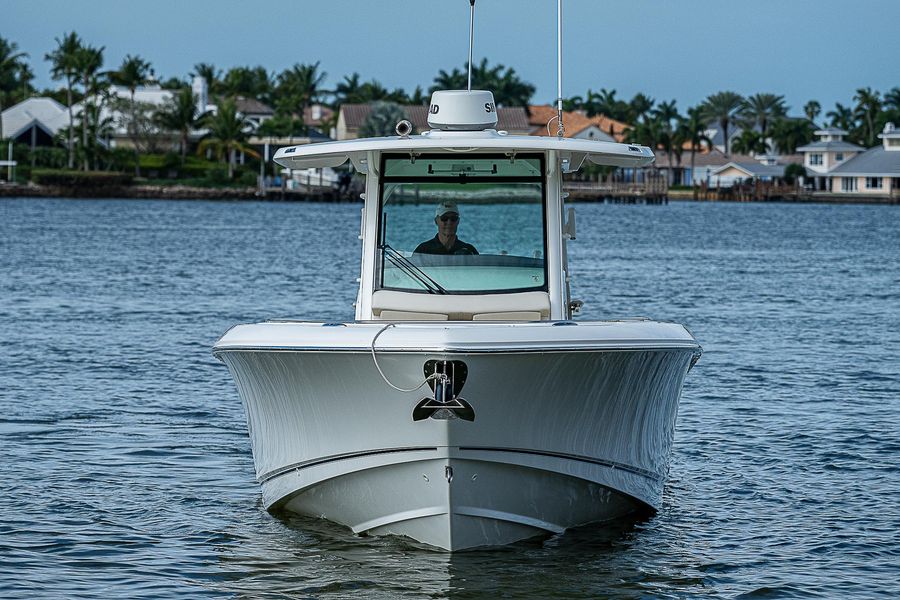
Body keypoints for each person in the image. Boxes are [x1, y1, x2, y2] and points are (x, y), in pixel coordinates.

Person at [413, 201, 479, 255]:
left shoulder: (469, 251)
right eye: (444, 218)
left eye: (453, 218)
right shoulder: (423, 250)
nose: (449, 222)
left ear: (458, 221)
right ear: (436, 221)